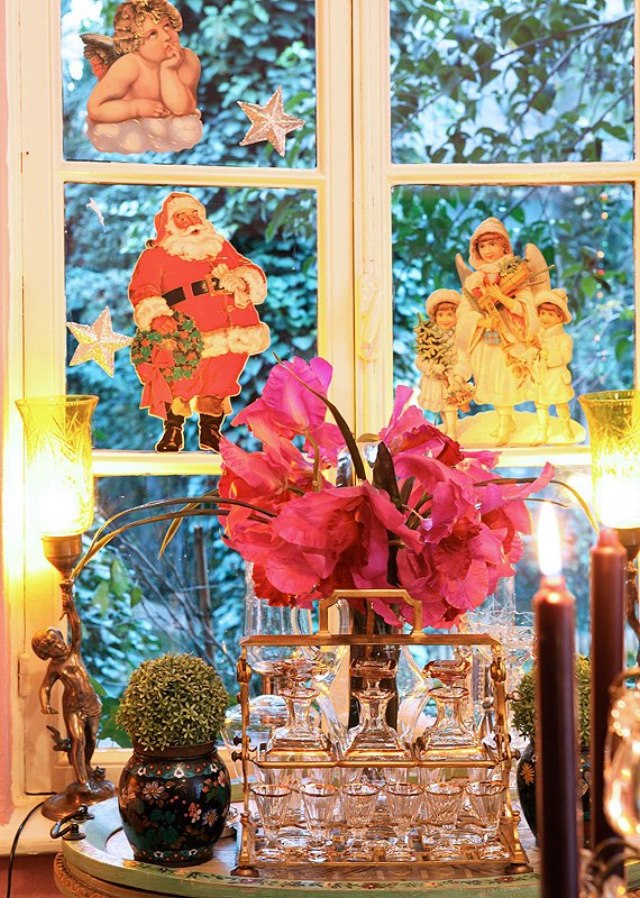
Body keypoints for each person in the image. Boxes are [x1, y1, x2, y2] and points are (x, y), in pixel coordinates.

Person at [129, 191, 270, 451]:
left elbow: (249, 269)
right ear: (169, 224)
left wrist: (241, 279)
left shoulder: (219, 246)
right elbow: (143, 289)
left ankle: (211, 431)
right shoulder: (156, 256)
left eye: (194, 215)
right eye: (182, 217)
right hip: (186, 331)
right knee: (179, 380)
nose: (191, 221)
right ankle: (173, 429)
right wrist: (157, 316)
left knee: (221, 378)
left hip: (232, 325)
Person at [455, 218, 538, 445]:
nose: (488, 250)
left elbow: (526, 306)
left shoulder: (515, 273)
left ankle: (505, 422)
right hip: (486, 338)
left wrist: (502, 298)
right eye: (482, 246)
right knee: (491, 378)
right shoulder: (475, 279)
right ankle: (504, 421)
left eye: (492, 244)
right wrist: (481, 322)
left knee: (506, 377)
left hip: (510, 336)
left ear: (504, 245)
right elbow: (464, 309)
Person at [82, 0, 202, 154]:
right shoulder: (130, 65)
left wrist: (168, 70)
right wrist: (135, 108)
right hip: (128, 125)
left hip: (168, 131)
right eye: (152, 34)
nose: (166, 36)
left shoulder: (187, 60)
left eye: (167, 25)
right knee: (113, 131)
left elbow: (182, 108)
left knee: (187, 128)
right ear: (135, 45)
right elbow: (95, 108)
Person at [32, 590, 103, 793]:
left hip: (92, 702)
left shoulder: (74, 652)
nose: (58, 645)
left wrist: (70, 606)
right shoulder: (55, 667)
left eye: (57, 640)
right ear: (46, 653)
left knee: (92, 739)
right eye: (52, 646)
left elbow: (77, 626)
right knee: (78, 740)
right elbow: (46, 686)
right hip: (72, 707)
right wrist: (45, 703)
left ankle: (86, 767)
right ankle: (83, 781)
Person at [414, 289, 471, 439]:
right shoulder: (429, 337)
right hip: (435, 378)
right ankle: (447, 427)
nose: (445, 319)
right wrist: (432, 367)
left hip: (451, 377)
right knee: (442, 406)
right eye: (441, 315)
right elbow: (420, 359)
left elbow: (464, 357)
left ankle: (452, 430)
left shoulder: (459, 337)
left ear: (456, 316)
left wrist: (459, 375)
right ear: (434, 317)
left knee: (450, 404)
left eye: (449, 315)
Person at [527, 288, 575, 444]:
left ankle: (566, 427)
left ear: (560, 317)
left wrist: (548, 355)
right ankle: (542, 432)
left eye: (550, 314)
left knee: (561, 403)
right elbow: (532, 350)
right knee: (541, 405)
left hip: (555, 377)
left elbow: (565, 357)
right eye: (542, 313)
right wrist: (528, 357)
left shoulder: (564, 338)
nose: (545, 318)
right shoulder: (538, 336)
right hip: (540, 377)